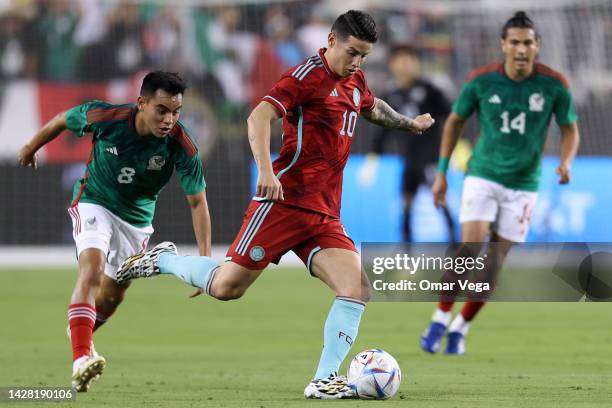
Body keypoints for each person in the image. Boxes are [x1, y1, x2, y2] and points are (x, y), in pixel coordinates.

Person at [116, 10, 434, 399]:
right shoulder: (304, 77)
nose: (356, 62)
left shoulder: (354, 80)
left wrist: (409, 123)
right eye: (352, 52)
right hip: (282, 202)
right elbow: (258, 116)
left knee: (356, 286)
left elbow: (371, 107)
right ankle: (163, 259)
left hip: (323, 213)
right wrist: (266, 170)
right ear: (331, 40)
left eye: (364, 56)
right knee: (227, 287)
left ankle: (324, 379)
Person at [18, 71, 211, 392]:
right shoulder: (107, 117)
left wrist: (205, 262)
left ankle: (81, 329)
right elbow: (63, 120)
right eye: (162, 110)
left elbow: (198, 203)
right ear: (141, 103)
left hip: (136, 222)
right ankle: (81, 357)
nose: (169, 119)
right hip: (94, 201)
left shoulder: (182, 144)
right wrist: (30, 147)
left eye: (176, 112)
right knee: (91, 271)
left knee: (112, 294)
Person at [420, 11, 580, 355]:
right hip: (483, 174)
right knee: (470, 248)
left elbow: (570, 129)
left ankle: (460, 328)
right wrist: (444, 173)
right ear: (503, 45)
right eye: (515, 42)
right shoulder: (481, 80)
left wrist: (566, 161)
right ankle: (439, 318)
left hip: (524, 183)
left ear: (537, 46)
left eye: (528, 42)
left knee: (495, 260)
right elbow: (454, 123)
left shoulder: (554, 84)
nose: (521, 49)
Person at [364, 44, 456, 243]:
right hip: (408, 161)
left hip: (431, 158)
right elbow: (382, 129)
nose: (405, 66)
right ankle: (407, 252)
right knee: (406, 205)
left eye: (409, 61)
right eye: (400, 61)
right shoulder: (390, 95)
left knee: (440, 200)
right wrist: (373, 158)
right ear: (392, 65)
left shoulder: (429, 90)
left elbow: (451, 116)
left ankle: (456, 247)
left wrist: (459, 146)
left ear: (416, 64)